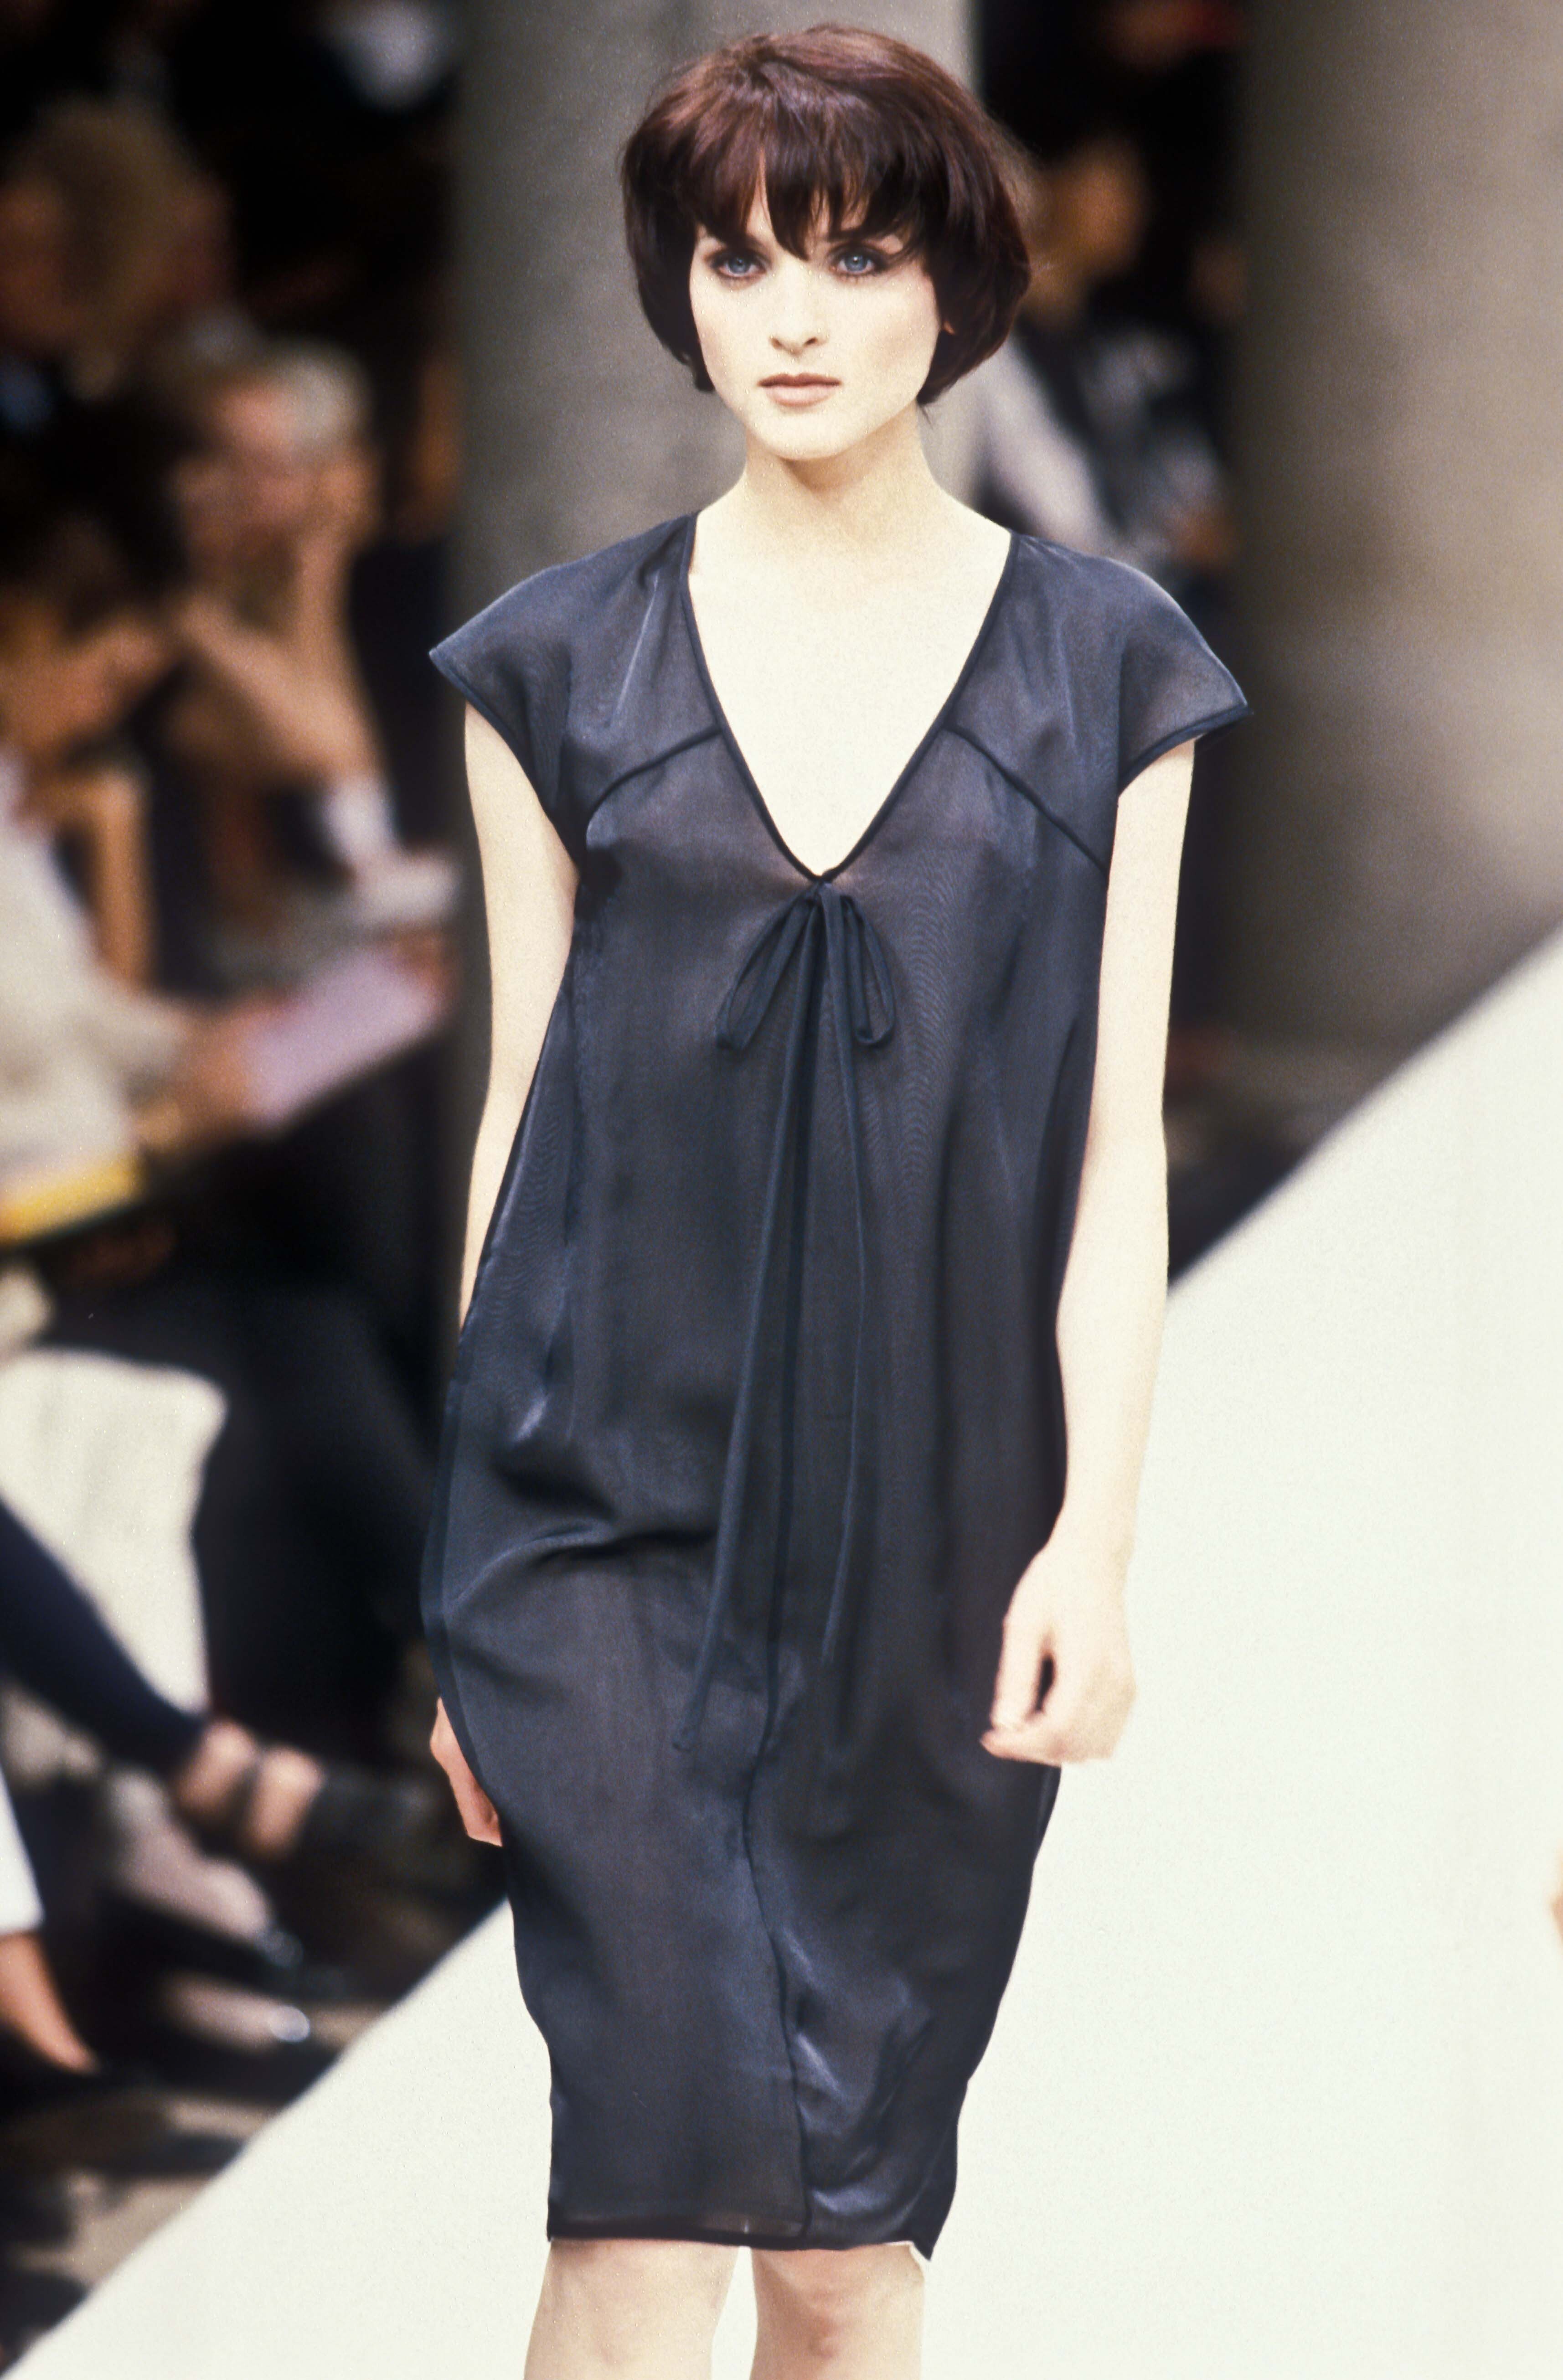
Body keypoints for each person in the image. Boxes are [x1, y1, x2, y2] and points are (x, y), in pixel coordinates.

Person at [423, 28, 1248, 2380]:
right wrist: (462, 1588)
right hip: (596, 1528)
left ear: (952, 289)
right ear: (677, 296)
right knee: (641, 2200)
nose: (789, 316)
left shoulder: (1107, 668)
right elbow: (519, 1114)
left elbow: (1114, 1147)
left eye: (853, 258)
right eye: (736, 261)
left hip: (936, 1539)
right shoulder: (552, 666)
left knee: (847, 2247)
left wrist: (1093, 1548)